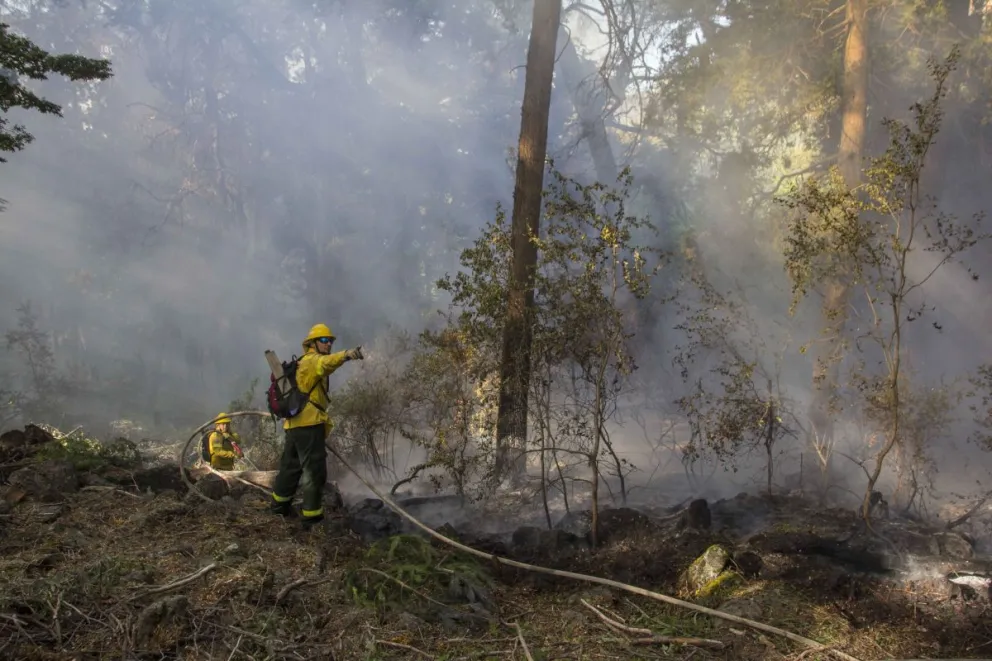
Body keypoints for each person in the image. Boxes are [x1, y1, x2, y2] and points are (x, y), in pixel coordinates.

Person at [270, 323, 363, 529]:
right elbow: (328, 363)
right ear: (312, 343)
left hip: (294, 425)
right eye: (324, 340)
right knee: (314, 470)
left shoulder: (302, 362)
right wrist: (347, 354)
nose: (328, 343)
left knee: (290, 467)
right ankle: (312, 517)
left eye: (330, 341)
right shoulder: (313, 361)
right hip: (309, 423)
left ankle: (278, 508)